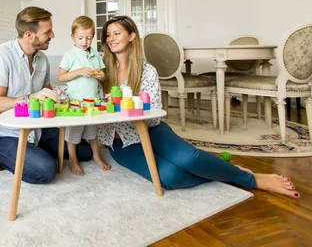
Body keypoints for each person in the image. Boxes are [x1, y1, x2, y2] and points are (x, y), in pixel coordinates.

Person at [97, 15, 299, 198]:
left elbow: (154, 116)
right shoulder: (102, 71)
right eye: (108, 35)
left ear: (132, 36)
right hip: (121, 142)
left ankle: (250, 179)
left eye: (117, 33)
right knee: (169, 176)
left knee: (190, 159)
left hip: (151, 130)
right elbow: (92, 107)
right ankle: (223, 170)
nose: (111, 39)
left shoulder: (147, 71)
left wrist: (124, 103)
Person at [0, 7, 93, 184]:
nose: (53, 35)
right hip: (7, 135)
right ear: (29, 35)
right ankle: (10, 155)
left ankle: (34, 149)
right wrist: (30, 98)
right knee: (45, 170)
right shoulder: (0, 56)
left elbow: (46, 91)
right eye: (47, 32)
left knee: (84, 152)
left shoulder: (41, 58)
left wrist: (57, 94)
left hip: (38, 128)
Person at [58, 15, 110, 175]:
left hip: (93, 101)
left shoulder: (95, 54)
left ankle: (97, 156)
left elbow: (103, 74)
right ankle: (73, 159)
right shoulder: (70, 55)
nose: (84, 42)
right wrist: (79, 72)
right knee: (73, 133)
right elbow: (61, 76)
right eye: (80, 38)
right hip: (75, 102)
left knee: (92, 133)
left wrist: (101, 75)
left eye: (88, 38)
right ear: (72, 37)